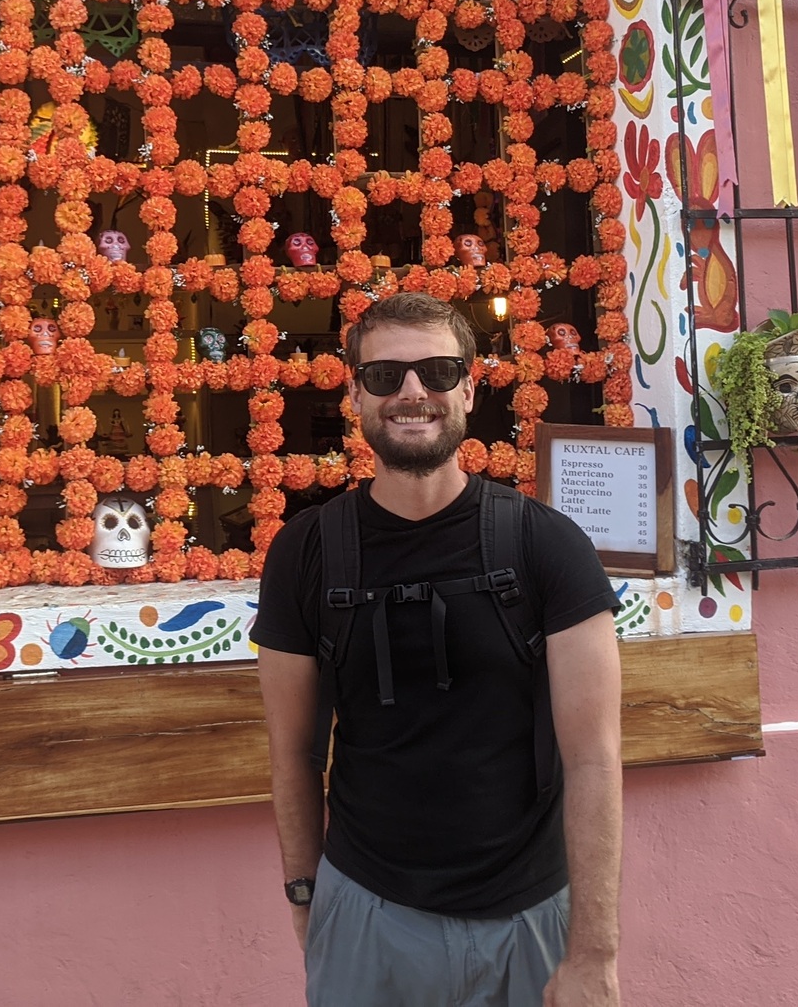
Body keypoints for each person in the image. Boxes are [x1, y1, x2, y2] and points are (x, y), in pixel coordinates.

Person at [255, 292, 623, 1007]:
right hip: (367, 913)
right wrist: (308, 900)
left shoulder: (546, 545)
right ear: (356, 391)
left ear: (470, 387)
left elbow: (594, 759)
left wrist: (595, 952)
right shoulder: (305, 552)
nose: (413, 393)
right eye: (386, 375)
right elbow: (293, 752)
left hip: (532, 917)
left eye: (439, 371)